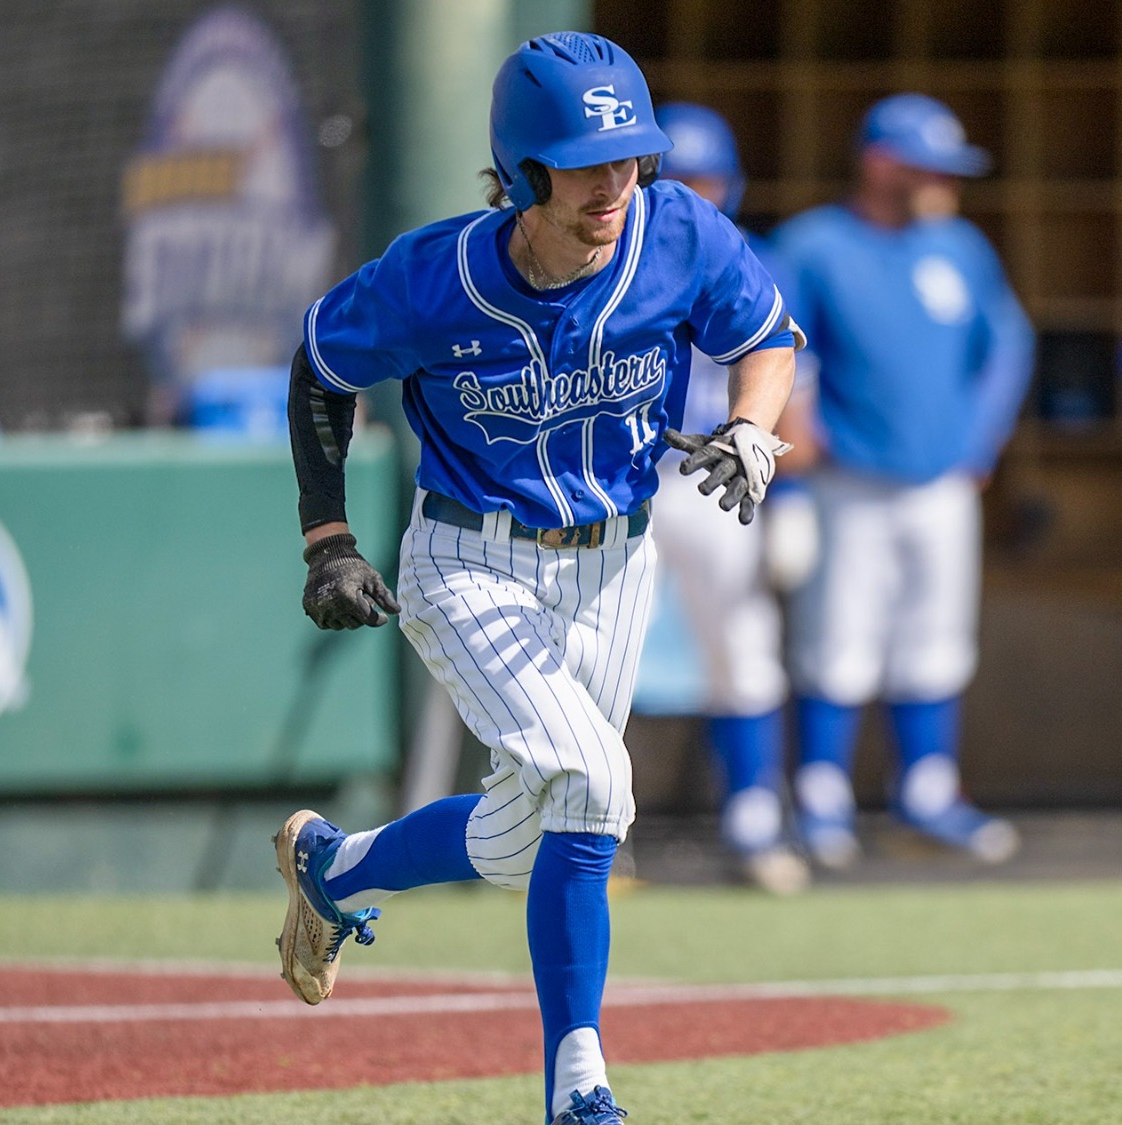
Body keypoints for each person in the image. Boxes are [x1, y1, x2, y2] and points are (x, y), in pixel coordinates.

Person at [272, 33, 800, 1125]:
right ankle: (578, 1085)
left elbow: (767, 335)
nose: (612, 184)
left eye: (627, 159)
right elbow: (319, 367)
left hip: (613, 563)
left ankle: (334, 870)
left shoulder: (678, 232)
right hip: (470, 561)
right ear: (523, 170)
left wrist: (751, 427)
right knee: (598, 790)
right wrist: (327, 536)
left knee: (527, 843)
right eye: (582, 162)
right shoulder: (439, 275)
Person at [769, 93, 1034, 869]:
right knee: (838, 641)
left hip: (942, 481)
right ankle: (820, 800)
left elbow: (1008, 344)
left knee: (936, 640)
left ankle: (927, 793)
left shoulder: (959, 247)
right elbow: (773, 341)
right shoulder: (814, 244)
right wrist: (798, 423)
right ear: (882, 164)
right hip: (848, 479)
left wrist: (980, 441)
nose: (946, 183)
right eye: (930, 167)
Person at [643, 102, 810, 895]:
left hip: (719, 482)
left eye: (708, 179)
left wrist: (796, 490)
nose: (697, 195)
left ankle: (753, 819)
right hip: (627, 484)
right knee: (586, 661)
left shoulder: (759, 260)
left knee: (743, 654)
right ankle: (578, 836)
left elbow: (795, 396)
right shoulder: (615, 258)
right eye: (682, 180)